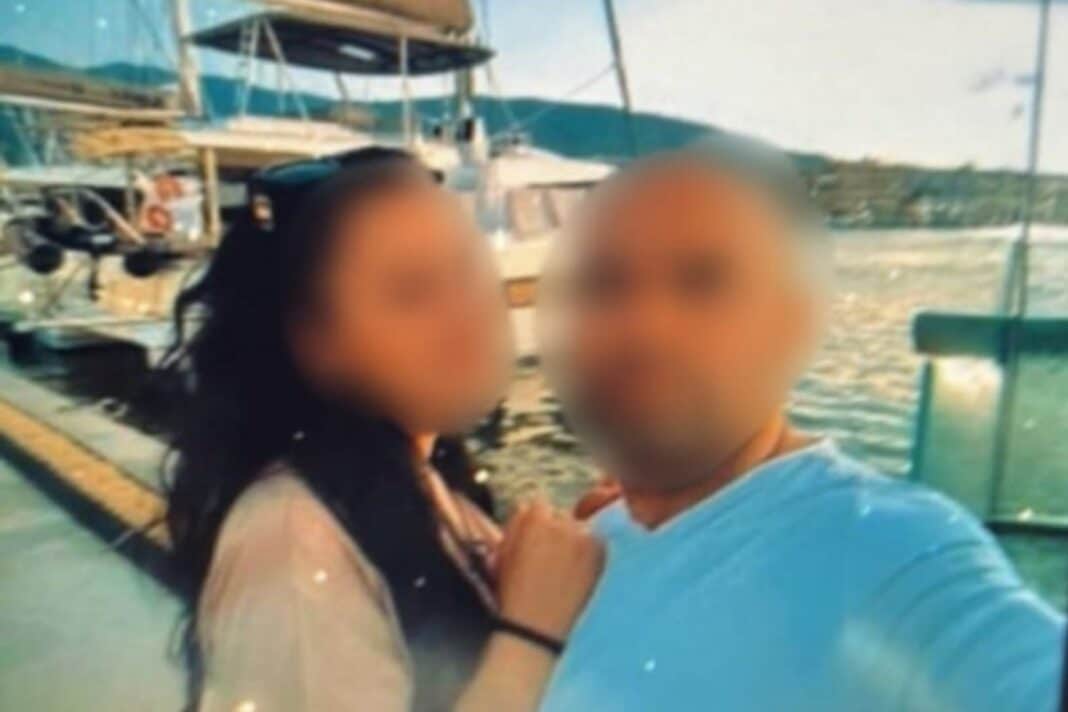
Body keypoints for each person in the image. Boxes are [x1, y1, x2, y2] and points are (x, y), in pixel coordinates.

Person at [536, 139, 1066, 711]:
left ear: (791, 321)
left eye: (702, 282)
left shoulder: (887, 547)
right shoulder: (584, 552)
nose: (646, 325)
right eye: (606, 284)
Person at [158, 147, 603, 712]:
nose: (468, 310)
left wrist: (579, 552)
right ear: (316, 342)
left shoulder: (419, 478)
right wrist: (532, 631)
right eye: (411, 291)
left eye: (469, 268)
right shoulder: (291, 540)